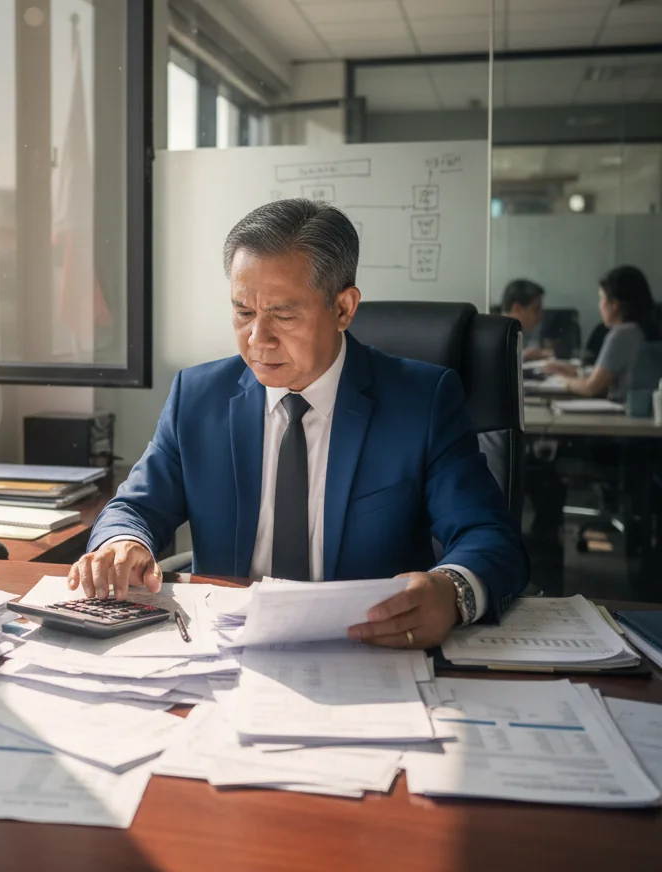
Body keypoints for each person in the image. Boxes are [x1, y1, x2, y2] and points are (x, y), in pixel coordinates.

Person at [69, 200, 529, 649]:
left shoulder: (421, 402)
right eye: (244, 312)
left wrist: (453, 591)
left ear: (344, 308)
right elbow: (134, 508)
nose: (257, 339)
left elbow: (489, 536)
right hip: (226, 651)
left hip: (368, 651)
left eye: (283, 315)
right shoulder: (199, 396)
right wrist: (123, 543)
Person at [546, 265, 660, 402]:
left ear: (615, 304)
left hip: (623, 413)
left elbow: (592, 387)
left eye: (601, 298)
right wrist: (575, 372)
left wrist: (561, 380)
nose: (599, 305)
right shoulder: (641, 329)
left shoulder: (623, 333)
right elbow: (614, 375)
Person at [501, 279, 550, 361]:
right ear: (516, 309)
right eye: (536, 310)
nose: (540, 316)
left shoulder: (526, 330)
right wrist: (523, 356)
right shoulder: (496, 334)